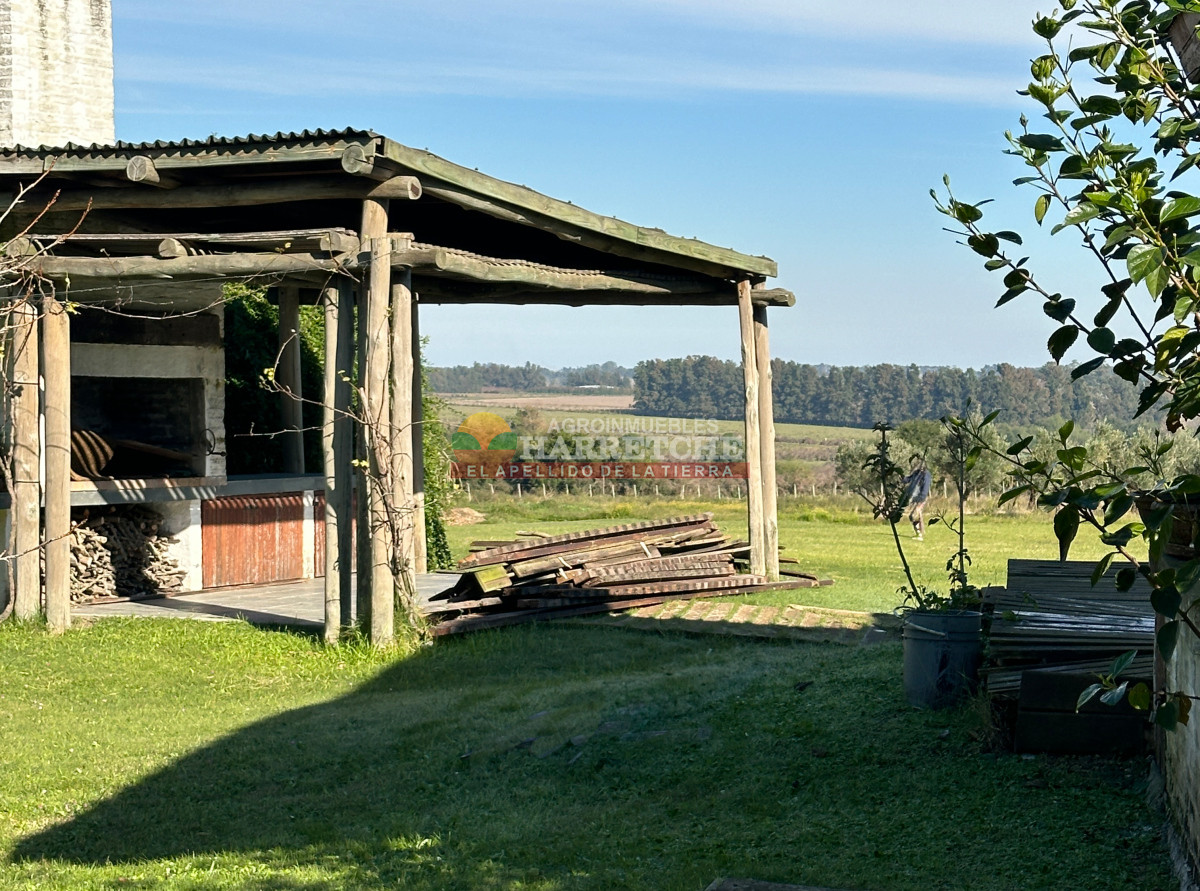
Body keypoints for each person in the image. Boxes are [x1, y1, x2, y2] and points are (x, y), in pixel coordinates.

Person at [901, 459, 932, 541]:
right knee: (917, 515)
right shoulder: (916, 473)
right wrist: (902, 478)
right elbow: (908, 479)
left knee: (914, 515)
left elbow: (925, 489)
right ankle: (920, 532)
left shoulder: (926, 475)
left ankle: (919, 534)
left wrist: (921, 499)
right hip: (913, 497)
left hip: (920, 498)